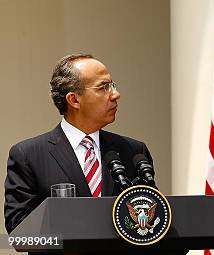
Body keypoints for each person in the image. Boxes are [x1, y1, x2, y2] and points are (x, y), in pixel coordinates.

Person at [4, 54, 152, 233]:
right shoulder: (29, 156)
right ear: (74, 100)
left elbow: (153, 218)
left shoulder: (134, 152)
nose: (115, 94)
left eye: (113, 85)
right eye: (104, 87)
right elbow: (19, 229)